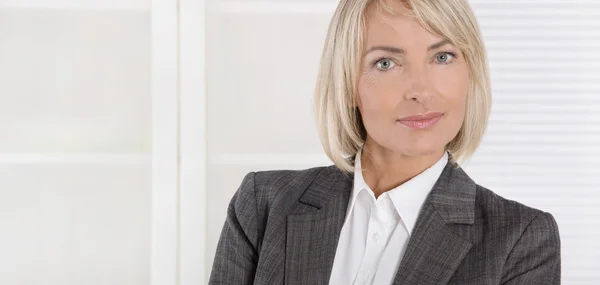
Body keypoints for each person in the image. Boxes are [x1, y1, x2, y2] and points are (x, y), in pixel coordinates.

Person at [209, 0, 561, 284]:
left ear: (471, 72)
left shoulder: (519, 239)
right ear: (347, 83)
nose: (421, 91)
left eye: (442, 57)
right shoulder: (264, 205)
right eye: (386, 63)